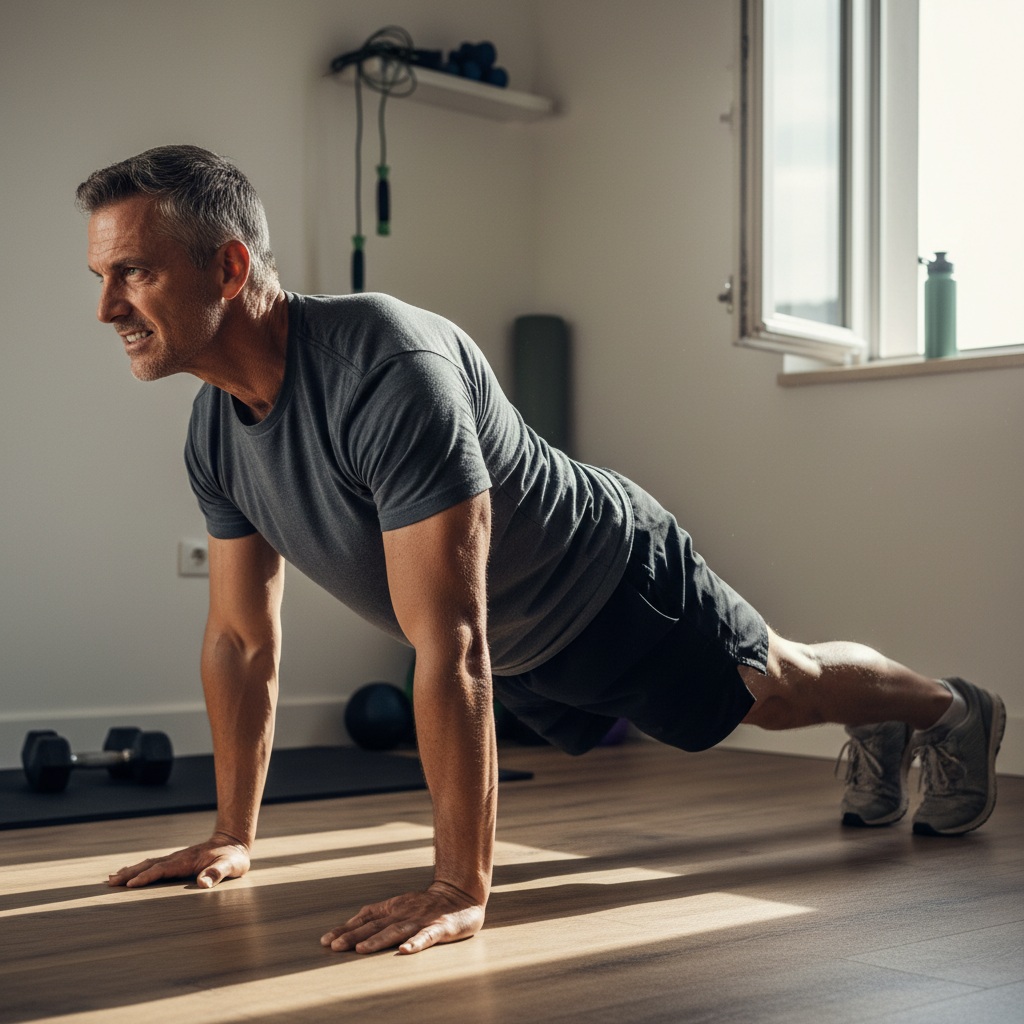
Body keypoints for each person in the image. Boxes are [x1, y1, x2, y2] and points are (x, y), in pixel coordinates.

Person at [78, 145, 1005, 957]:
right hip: (524, 648)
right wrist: (233, 834)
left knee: (781, 690)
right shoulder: (214, 435)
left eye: (133, 273)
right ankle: (889, 721)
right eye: (102, 278)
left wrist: (459, 888)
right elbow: (243, 639)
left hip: (609, 580)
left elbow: (453, 642)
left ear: (230, 267)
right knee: (769, 699)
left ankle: (946, 709)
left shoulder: (388, 371)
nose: (107, 306)